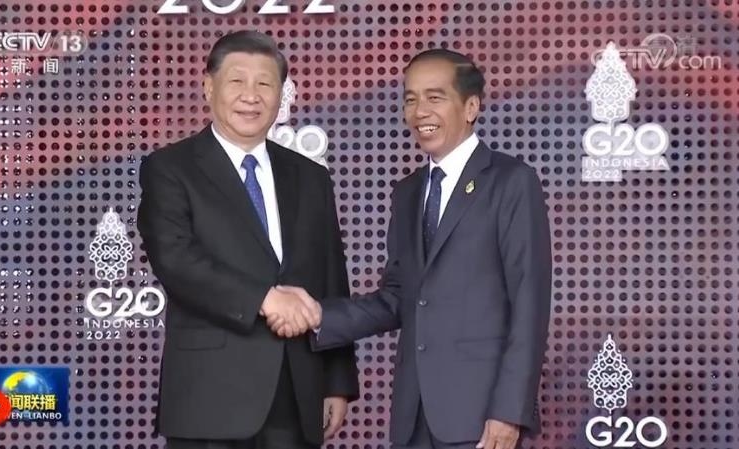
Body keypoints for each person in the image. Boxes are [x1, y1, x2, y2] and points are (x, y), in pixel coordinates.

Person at [270, 49, 552, 449]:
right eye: (411, 99)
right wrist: (319, 315)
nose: (420, 112)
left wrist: (509, 411)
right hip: (413, 414)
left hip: (481, 416)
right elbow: (397, 299)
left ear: (471, 107)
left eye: (435, 97)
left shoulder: (510, 182)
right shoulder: (408, 191)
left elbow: (529, 304)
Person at [137, 30, 359, 449]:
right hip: (209, 398)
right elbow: (176, 260)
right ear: (209, 87)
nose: (251, 96)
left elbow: (332, 279)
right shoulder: (170, 168)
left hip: (297, 390)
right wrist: (265, 299)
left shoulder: (311, 177)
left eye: (265, 84)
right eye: (237, 81)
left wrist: (337, 381)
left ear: (281, 94)